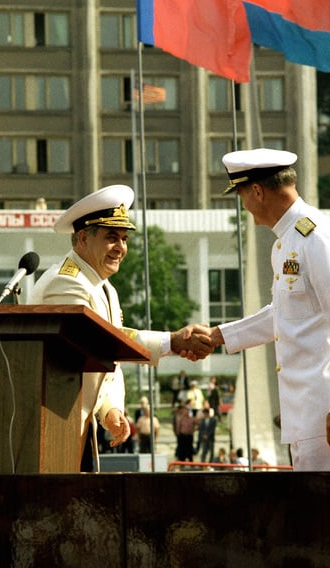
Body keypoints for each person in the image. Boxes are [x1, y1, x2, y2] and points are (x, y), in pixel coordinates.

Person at [204, 148, 330, 471]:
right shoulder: (288, 241)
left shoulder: (316, 238)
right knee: (316, 519)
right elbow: (284, 314)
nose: (245, 207)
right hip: (309, 415)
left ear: (259, 191)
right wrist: (219, 335)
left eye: (243, 196)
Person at [30, 184, 214, 471]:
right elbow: (98, 343)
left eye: (124, 239)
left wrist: (109, 410)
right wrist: (173, 342)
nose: (121, 248)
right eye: (111, 237)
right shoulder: (66, 283)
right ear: (82, 238)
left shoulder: (102, 286)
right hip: (54, 426)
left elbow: (104, 362)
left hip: (75, 426)